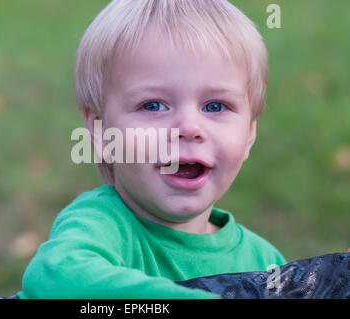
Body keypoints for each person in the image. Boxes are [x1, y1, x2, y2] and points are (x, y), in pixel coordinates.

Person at [17, 0, 287, 299]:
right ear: (101, 129)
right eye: (153, 105)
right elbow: (56, 279)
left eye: (215, 106)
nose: (188, 128)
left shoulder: (265, 262)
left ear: (250, 132)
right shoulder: (101, 226)